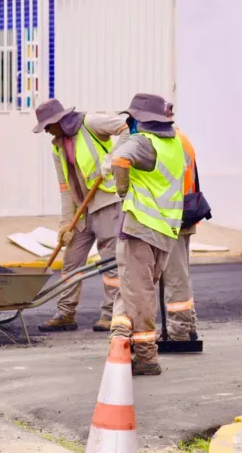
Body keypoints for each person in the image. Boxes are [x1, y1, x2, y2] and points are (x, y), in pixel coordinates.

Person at [32, 98, 129, 333]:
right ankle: (65, 313)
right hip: (82, 210)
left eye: (47, 126)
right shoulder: (57, 146)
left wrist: (112, 159)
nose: (46, 131)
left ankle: (111, 314)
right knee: (71, 261)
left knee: (110, 262)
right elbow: (65, 188)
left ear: (58, 120)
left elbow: (127, 128)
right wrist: (65, 224)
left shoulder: (91, 123)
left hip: (106, 202)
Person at [106, 93, 185, 376]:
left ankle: (146, 357)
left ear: (139, 119)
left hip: (139, 227)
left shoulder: (142, 142)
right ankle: (120, 338)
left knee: (139, 295)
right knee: (134, 289)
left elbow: (119, 161)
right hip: (165, 229)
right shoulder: (175, 144)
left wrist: (122, 190)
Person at [161, 102, 199, 341]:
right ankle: (188, 325)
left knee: (175, 276)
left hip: (174, 216)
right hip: (180, 214)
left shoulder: (173, 141)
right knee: (180, 274)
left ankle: (180, 330)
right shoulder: (179, 138)